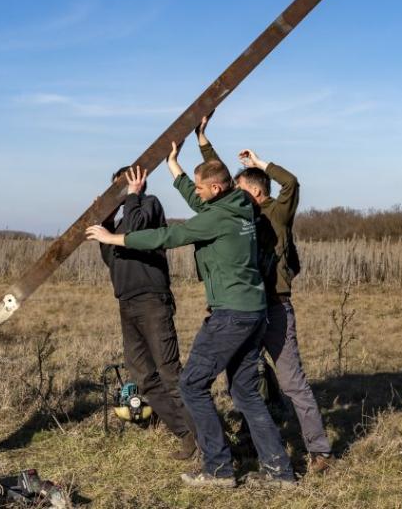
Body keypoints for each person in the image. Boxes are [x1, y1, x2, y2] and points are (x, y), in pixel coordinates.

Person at [87, 142, 295, 489]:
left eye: (200, 187)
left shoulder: (217, 219)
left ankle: (218, 468)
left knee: (191, 384)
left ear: (216, 188)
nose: (196, 194)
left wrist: (114, 237)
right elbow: (199, 201)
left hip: (231, 313)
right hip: (254, 311)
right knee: (245, 393)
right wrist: (174, 165)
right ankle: (280, 472)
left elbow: (170, 235)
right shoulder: (241, 203)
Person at [196, 114, 333, 474]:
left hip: (275, 308)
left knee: (292, 383)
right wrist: (203, 141)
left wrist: (260, 163)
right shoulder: (242, 216)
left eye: (242, 190)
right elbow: (219, 181)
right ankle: (250, 442)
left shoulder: (276, 212)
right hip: (246, 310)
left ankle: (319, 450)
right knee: (242, 380)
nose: (234, 196)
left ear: (256, 192)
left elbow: (291, 183)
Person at [99, 165, 197, 460]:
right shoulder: (114, 225)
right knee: (142, 374)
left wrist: (134, 195)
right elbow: (112, 258)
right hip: (127, 303)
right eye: (117, 186)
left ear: (138, 182)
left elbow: (135, 230)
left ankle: (206, 438)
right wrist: (102, 215)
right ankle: (186, 433)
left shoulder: (149, 206)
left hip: (152, 300)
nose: (123, 189)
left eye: (127, 183)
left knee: (170, 373)